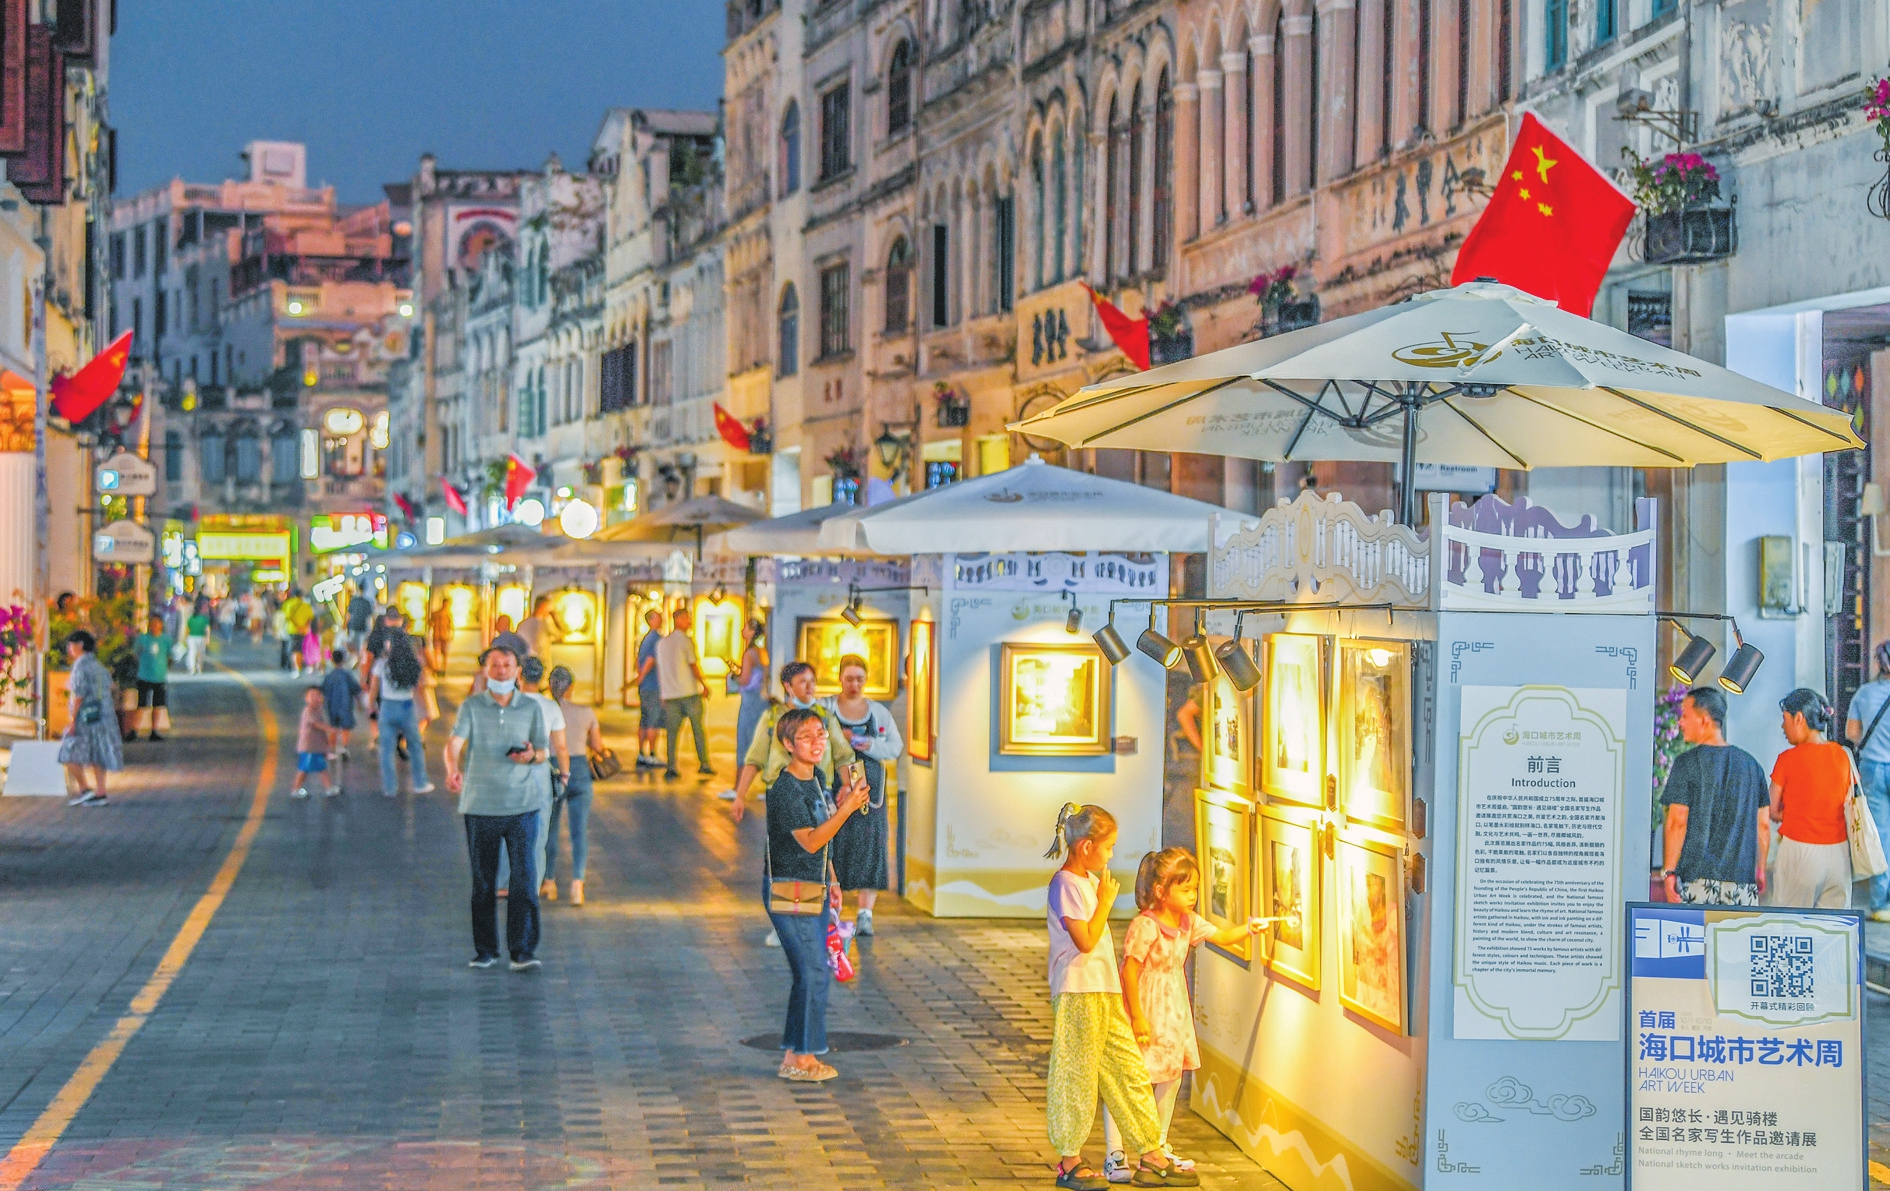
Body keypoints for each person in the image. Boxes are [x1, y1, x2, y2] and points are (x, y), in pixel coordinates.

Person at [1041, 803, 1193, 1190]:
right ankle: (1070, 1161)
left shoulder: (1089, 882)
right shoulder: (1065, 884)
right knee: (1075, 1074)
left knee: (1128, 1069)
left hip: (1104, 991)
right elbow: (1085, 940)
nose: (1111, 856)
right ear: (1087, 846)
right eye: (1108, 848)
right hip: (1077, 990)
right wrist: (1106, 902)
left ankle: (1151, 1153)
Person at [1102, 848, 1263, 1182]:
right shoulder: (1146, 925)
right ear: (1161, 890)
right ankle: (1115, 1153)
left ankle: (1156, 1145)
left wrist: (1248, 929)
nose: (1193, 896)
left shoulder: (1189, 922)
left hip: (1173, 1011)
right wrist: (1136, 1016)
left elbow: (1221, 936)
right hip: (1146, 1006)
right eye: (1186, 889)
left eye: (1195, 889)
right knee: (1129, 1079)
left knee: (1171, 1076)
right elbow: (1130, 970)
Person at [763, 706, 872, 1083]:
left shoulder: (817, 779)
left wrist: (834, 881)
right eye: (806, 737)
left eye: (820, 735)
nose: (816, 743)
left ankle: (795, 1056)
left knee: (809, 974)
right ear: (787, 744)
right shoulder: (784, 790)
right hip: (789, 888)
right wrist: (846, 809)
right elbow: (810, 841)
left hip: (815, 886)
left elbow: (822, 843)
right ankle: (803, 1058)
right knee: (813, 972)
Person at [444, 641, 550, 973]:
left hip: (522, 806)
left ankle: (522, 950)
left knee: (524, 879)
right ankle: (486, 950)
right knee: (483, 882)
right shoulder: (472, 706)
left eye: (507, 665)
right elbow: (454, 743)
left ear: (518, 671)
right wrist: (452, 769)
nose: (501, 671)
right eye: (495, 666)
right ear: (485, 670)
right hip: (480, 805)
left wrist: (531, 756)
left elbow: (544, 751)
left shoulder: (530, 707)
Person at [1660, 686, 1770, 906]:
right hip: (1741, 883)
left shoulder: (1686, 763)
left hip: (1696, 882)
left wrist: (1669, 872)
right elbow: (1763, 825)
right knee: (1735, 931)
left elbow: (1677, 821)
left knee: (1694, 931)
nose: (1680, 723)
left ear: (1704, 721)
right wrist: (1760, 869)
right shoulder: (1752, 766)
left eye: (1685, 716)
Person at [821, 653, 903, 936]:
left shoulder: (878, 712)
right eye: (849, 679)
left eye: (859, 679)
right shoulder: (826, 708)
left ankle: (865, 913)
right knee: (834, 845)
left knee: (870, 846)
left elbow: (894, 747)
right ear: (840, 678)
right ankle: (832, 909)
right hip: (834, 788)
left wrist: (863, 742)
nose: (854, 685)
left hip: (871, 792)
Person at [728, 661, 858, 823]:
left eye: (812, 681)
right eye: (803, 682)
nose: (810, 687)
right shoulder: (773, 717)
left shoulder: (825, 718)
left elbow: (845, 756)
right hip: (781, 794)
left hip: (819, 793)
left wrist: (848, 786)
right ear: (788, 686)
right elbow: (755, 759)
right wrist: (740, 796)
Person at [1768, 688, 1854, 909]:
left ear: (1799, 718)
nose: (1782, 727)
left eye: (1785, 719)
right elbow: (1848, 802)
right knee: (1833, 926)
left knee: (1791, 923)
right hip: (1839, 855)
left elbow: (1772, 809)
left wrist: (1795, 813)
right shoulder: (1843, 755)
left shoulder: (1787, 759)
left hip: (1799, 852)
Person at [545, 665, 601, 906]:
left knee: (551, 827)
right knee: (579, 831)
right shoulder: (586, 712)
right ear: (571, 687)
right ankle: (578, 884)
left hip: (552, 770)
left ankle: (549, 881)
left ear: (550, 687)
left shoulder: (543, 711)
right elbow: (598, 746)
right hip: (579, 771)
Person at [514, 656, 567, 903]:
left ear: (519, 674)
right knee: (539, 830)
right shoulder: (551, 707)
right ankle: (532, 885)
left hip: (511, 770)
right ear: (543, 678)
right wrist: (564, 775)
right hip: (539, 771)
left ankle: (509, 882)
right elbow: (561, 747)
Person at [1846, 641, 1890, 921]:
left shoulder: (1865, 693)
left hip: (1873, 768)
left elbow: (1852, 733)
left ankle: (1881, 904)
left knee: (1881, 834)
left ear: (1878, 663)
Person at [57, 631, 121, 807]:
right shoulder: (99, 666)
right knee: (97, 753)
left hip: (85, 717)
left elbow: (79, 694)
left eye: (71, 645)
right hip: (103, 716)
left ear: (80, 645)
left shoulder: (80, 666)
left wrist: (73, 719)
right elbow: (111, 686)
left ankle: (85, 789)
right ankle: (100, 792)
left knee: (67, 751)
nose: (69, 648)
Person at [369, 632, 434, 796]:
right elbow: (419, 689)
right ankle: (420, 783)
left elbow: (374, 688)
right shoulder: (413, 663)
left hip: (387, 706)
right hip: (407, 706)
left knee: (387, 749)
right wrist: (426, 709)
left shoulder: (382, 664)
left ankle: (390, 788)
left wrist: (371, 706)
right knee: (415, 746)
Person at [657, 607, 712, 779]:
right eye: (687, 618)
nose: (689, 622)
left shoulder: (662, 644)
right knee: (698, 729)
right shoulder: (686, 641)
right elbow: (693, 665)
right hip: (689, 692)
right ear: (678, 620)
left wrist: (663, 693)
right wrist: (703, 684)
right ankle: (704, 763)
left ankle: (671, 765)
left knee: (672, 733)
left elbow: (660, 670)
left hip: (670, 694)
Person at [733, 618, 770, 768]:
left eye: (746, 628)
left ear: (752, 632)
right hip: (762, 699)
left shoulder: (749, 654)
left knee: (745, 739)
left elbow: (745, 680)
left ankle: (741, 778)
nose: (742, 630)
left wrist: (734, 677)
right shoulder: (763, 652)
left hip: (750, 699)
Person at [130, 614, 173, 742]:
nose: (154, 626)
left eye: (157, 624)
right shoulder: (143, 639)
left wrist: (164, 669)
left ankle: (154, 730)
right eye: (152, 624)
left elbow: (169, 656)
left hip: (159, 677)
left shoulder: (166, 640)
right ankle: (134, 730)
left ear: (161, 625)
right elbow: (135, 654)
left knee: (157, 705)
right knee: (141, 704)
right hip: (144, 676)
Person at [292, 686, 339, 799]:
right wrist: (329, 729)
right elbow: (315, 724)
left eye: (318, 695)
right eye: (311, 696)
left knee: (322, 768)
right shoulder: (308, 711)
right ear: (306, 698)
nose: (315, 698)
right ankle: (296, 789)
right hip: (309, 747)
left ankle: (328, 788)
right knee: (304, 769)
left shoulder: (318, 711)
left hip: (317, 747)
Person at [633, 609, 666, 768]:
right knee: (653, 721)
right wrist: (642, 676)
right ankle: (652, 754)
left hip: (645, 686)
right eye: (658, 617)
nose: (661, 620)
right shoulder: (657, 639)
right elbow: (651, 660)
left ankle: (641, 753)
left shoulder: (645, 639)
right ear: (651, 620)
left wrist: (640, 678)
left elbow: (638, 660)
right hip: (653, 686)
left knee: (644, 720)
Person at [321, 648, 363, 761]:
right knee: (346, 726)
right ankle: (344, 747)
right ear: (343, 660)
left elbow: (323, 691)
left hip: (332, 706)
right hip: (346, 705)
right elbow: (356, 690)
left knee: (333, 727)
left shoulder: (329, 675)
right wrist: (359, 703)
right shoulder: (347, 675)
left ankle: (332, 749)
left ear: (332, 660)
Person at [428, 597, 454, 672]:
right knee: (438, 652)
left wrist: (451, 635)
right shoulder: (438, 613)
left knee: (443, 653)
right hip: (438, 636)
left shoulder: (447, 614)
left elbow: (450, 626)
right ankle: (438, 668)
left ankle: (442, 668)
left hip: (443, 636)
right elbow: (431, 624)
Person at [344, 589, 375, 654]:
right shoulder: (367, 602)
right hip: (362, 627)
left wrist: (345, 625)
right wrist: (371, 629)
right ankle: (358, 657)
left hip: (353, 626)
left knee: (352, 647)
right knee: (360, 648)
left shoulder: (353, 601)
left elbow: (349, 615)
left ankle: (353, 658)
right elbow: (370, 618)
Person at [184, 602, 211, 675]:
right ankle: (199, 667)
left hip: (191, 637)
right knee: (201, 653)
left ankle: (192, 668)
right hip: (201, 638)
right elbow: (207, 629)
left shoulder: (190, 619)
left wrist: (185, 638)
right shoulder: (204, 619)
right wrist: (208, 638)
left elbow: (187, 629)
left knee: (192, 652)